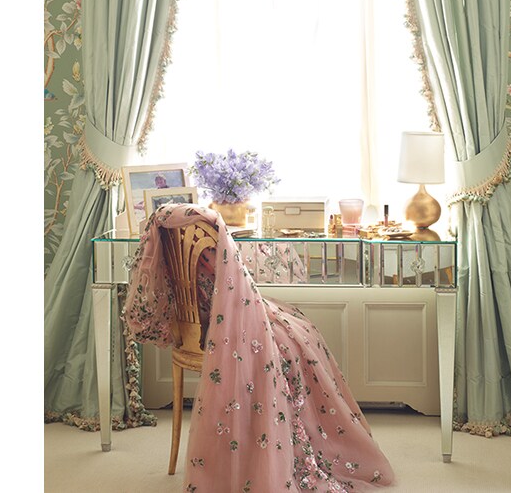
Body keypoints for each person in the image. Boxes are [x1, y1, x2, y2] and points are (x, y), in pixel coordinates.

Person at [123, 204, 395, 492]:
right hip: (218, 330)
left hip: (192, 330)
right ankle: (267, 452)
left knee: (294, 328)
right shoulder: (213, 234)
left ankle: (250, 452)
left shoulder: (167, 224)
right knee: (296, 335)